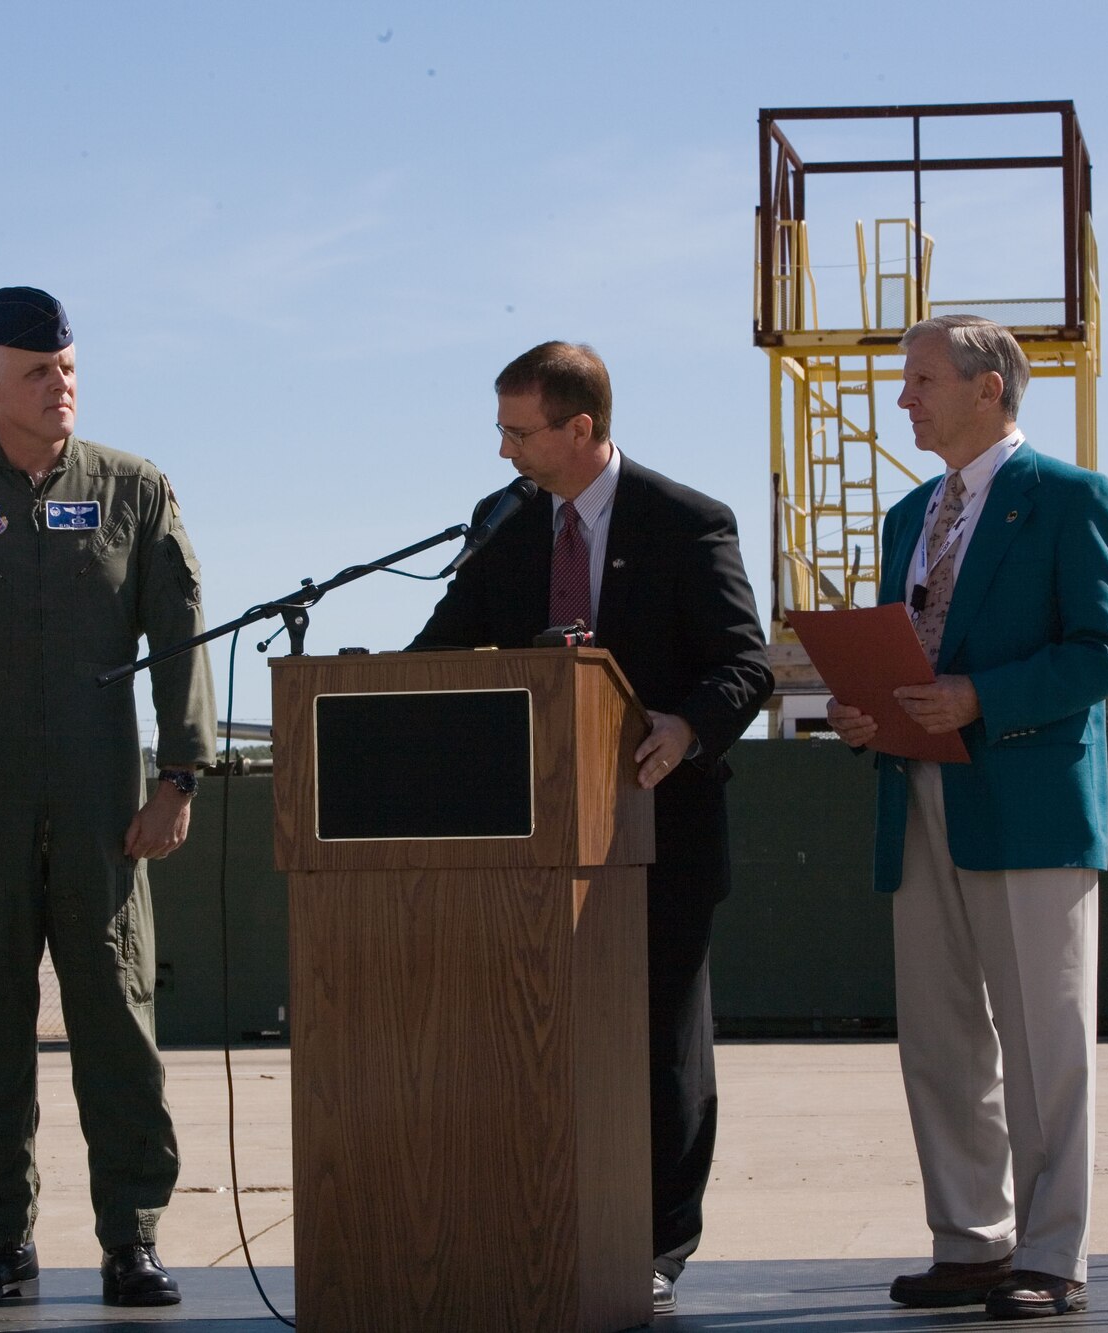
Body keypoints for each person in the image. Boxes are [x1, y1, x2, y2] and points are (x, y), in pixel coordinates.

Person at [410, 340, 773, 1316]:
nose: (500, 452)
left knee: (658, 1047)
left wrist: (685, 722)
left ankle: (659, 1240)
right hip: (528, 844)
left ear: (581, 428)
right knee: (536, 1045)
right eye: (497, 429)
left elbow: (744, 666)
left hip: (662, 828)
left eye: (517, 432)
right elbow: (436, 650)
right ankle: (545, 1218)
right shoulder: (510, 530)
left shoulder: (685, 522)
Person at [0, 287, 216, 1308]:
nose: (58, 385)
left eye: (67, 369)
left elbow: (180, 639)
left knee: (117, 1019)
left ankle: (132, 1237)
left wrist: (179, 776)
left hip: (105, 808)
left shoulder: (132, 490)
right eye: (35, 371)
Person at [826, 315, 1108, 1320]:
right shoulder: (906, 514)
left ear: (986, 388)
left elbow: (1103, 651)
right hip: (913, 796)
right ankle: (971, 1241)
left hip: (1026, 802)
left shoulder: (1069, 499)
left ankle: (1051, 1253)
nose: (902, 400)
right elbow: (905, 644)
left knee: (1044, 1044)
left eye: (918, 380)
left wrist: (979, 697)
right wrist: (859, 708)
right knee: (941, 1038)